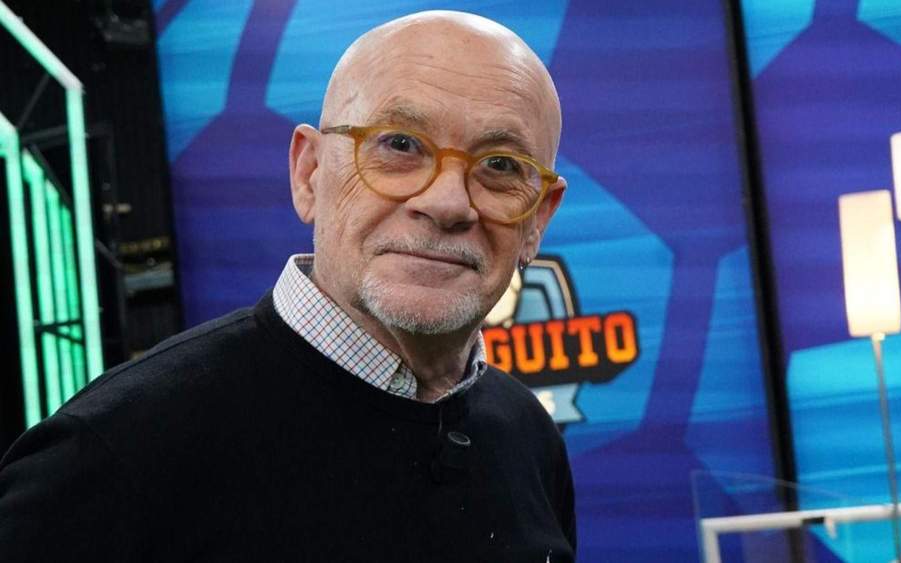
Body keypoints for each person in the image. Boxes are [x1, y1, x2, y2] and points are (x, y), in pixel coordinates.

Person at [0, 10, 574, 562]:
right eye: (399, 144)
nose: (447, 203)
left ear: (538, 220)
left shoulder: (529, 436)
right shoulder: (110, 454)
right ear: (309, 174)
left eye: (501, 165)